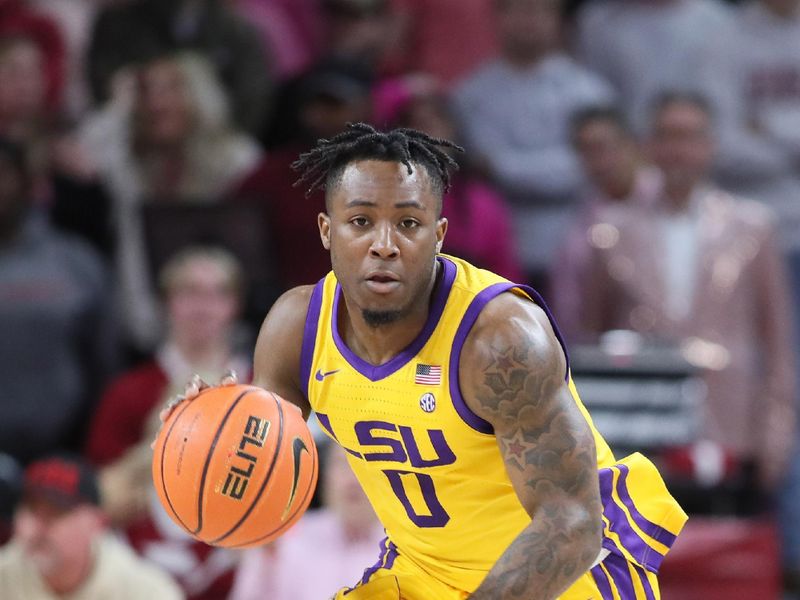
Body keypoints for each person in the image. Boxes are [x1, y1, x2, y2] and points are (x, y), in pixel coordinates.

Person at [165, 123, 686, 599]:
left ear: (437, 237)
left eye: (408, 223)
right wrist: (200, 432)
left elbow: (570, 522)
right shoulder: (295, 329)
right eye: (361, 221)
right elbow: (260, 458)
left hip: (566, 574)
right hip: (424, 573)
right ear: (327, 231)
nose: (384, 246)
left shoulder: (500, 340)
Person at [574, 93, 796, 511]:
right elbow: (593, 338)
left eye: (691, 136)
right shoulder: (610, 230)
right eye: (667, 135)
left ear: (711, 145)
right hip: (638, 429)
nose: (679, 149)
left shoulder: (753, 227)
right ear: (647, 146)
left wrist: (777, 431)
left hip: (732, 422)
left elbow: (778, 341)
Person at [85, 246, 248, 600]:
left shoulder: (263, 389)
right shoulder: (129, 392)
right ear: (167, 302)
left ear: (233, 305)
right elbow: (100, 499)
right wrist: (164, 445)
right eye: (189, 292)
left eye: (216, 293)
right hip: (145, 569)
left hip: (241, 569)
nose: (203, 306)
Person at [451, 0, 614, 289]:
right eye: (520, 9)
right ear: (499, 16)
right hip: (493, 248)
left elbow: (584, 168)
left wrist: (500, 167)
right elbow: (476, 166)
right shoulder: (470, 95)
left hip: (574, 241)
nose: (530, 20)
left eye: (541, 10)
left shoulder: (589, 92)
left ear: (558, 20)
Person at [550, 105, 662, 342]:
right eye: (586, 151)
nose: (599, 161)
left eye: (604, 147)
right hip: (612, 357)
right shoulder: (579, 231)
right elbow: (569, 310)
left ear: (632, 146)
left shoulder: (670, 204)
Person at [0, 455, 183, 599]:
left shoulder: (146, 592)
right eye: (31, 509)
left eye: (57, 512)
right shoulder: (4, 575)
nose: (37, 526)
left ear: (98, 523)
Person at [229, 441, 384, 600]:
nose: (353, 481)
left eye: (365, 469)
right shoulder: (287, 537)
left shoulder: (404, 551)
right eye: (343, 464)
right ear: (325, 475)